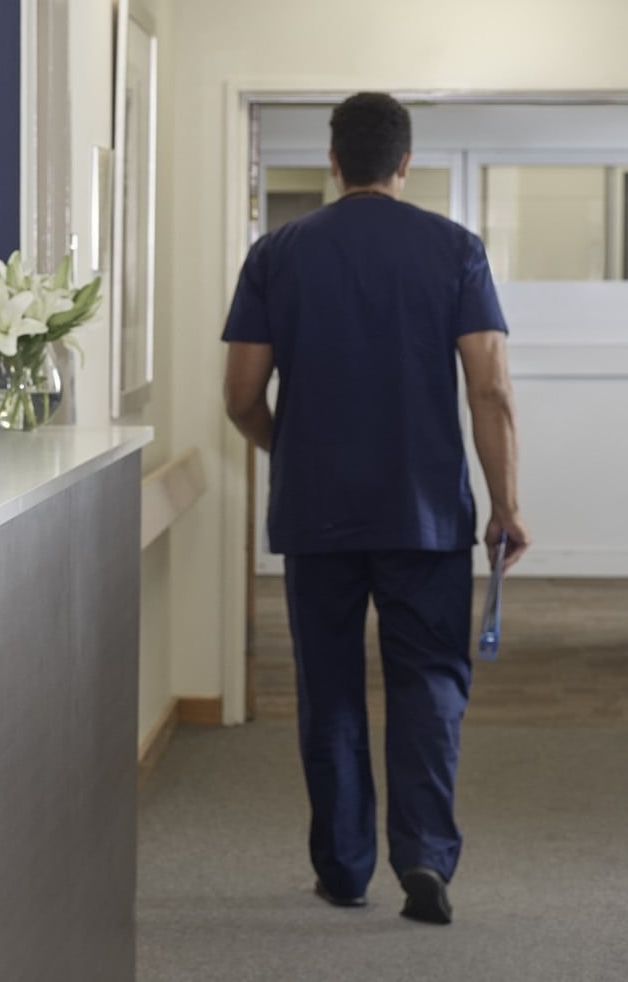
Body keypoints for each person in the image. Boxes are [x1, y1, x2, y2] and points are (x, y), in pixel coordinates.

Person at [221, 91, 526, 926]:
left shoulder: (277, 252)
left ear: (332, 161)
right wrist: (505, 505)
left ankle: (344, 869)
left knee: (329, 690)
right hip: (425, 515)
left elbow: (241, 394)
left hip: (314, 514)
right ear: (404, 162)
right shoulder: (454, 250)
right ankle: (424, 857)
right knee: (428, 683)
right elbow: (489, 389)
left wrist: (289, 449)